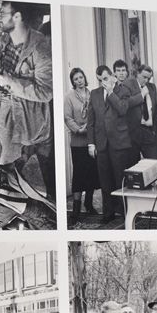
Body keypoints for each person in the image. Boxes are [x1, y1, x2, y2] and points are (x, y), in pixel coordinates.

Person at [0, 1, 53, 176]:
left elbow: (46, 91)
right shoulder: (5, 41)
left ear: (17, 16)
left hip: (20, 115)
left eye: (3, 14)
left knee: (8, 168)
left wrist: (10, 81)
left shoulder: (41, 48)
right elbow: (5, 70)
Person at [87, 65, 143, 225]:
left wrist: (111, 92)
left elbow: (122, 109)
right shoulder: (94, 94)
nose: (102, 83)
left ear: (111, 76)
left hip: (120, 142)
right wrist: (91, 143)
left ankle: (126, 212)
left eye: (105, 78)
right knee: (105, 181)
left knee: (120, 180)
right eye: (99, 80)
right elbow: (91, 121)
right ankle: (108, 213)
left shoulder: (122, 90)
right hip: (101, 143)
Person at [64, 67, 99, 220]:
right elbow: (67, 118)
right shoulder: (69, 97)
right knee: (79, 174)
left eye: (81, 77)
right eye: (76, 79)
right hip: (78, 142)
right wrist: (78, 130)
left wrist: (92, 128)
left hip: (91, 141)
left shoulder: (92, 94)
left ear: (85, 78)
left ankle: (89, 204)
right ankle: (76, 208)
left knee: (92, 173)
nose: (79, 81)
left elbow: (97, 113)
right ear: (73, 81)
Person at [132, 63, 157, 161]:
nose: (146, 80)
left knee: (153, 163)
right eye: (144, 77)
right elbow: (127, 105)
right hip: (134, 133)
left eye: (149, 78)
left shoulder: (152, 87)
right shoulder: (130, 87)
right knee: (134, 166)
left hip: (148, 132)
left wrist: (153, 130)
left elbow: (155, 109)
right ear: (137, 74)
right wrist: (141, 95)